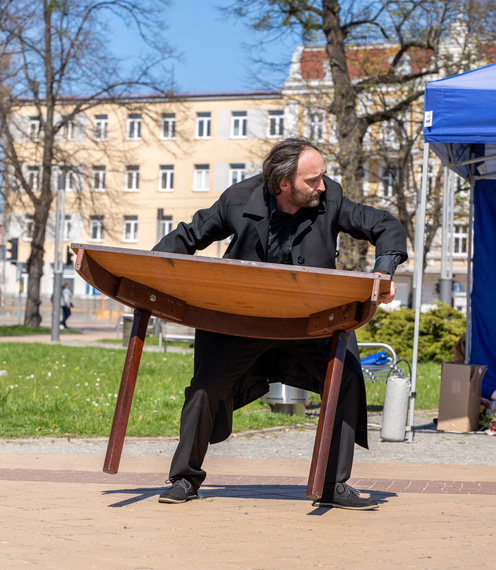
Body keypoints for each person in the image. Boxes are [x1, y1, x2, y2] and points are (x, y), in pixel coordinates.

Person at [153, 138, 407, 509]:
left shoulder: (330, 197)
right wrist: (150, 273)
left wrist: (384, 270)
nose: (322, 185)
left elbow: (384, 225)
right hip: (245, 320)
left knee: (348, 379)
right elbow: (187, 238)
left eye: (322, 177)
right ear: (282, 184)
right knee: (206, 387)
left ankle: (333, 484)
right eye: (312, 180)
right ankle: (184, 479)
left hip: (312, 324)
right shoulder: (239, 199)